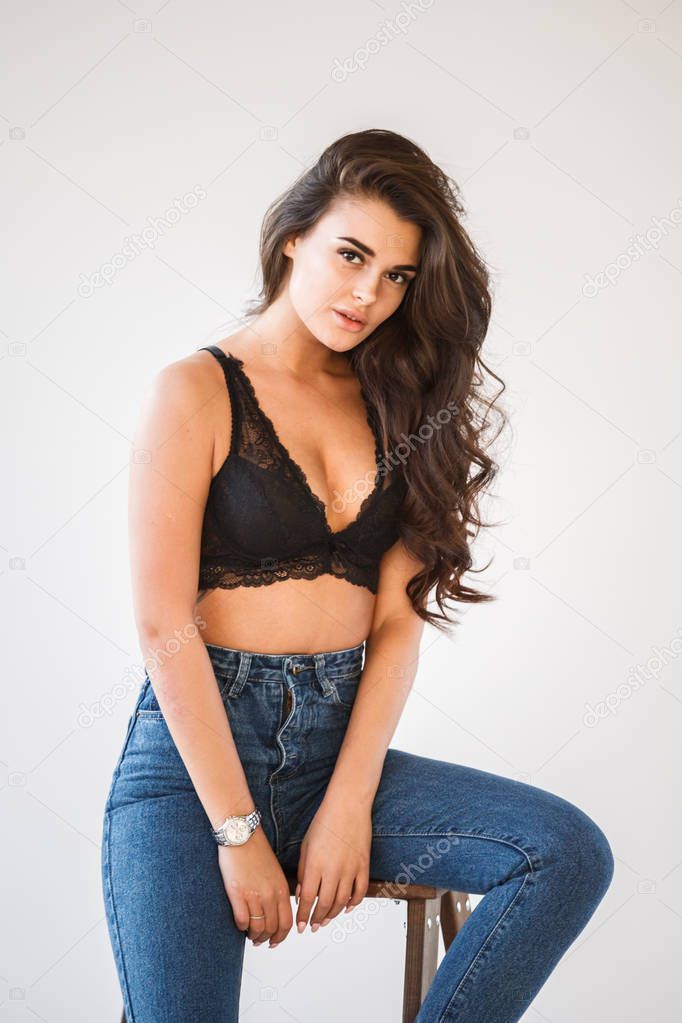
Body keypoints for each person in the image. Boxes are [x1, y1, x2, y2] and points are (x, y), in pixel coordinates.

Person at [101, 129, 614, 1023]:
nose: (368, 293)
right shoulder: (194, 390)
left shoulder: (398, 400)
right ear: (294, 235)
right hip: (194, 771)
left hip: (341, 750)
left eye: (397, 276)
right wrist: (238, 831)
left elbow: (395, 623)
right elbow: (161, 625)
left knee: (564, 851)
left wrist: (349, 799)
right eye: (351, 255)